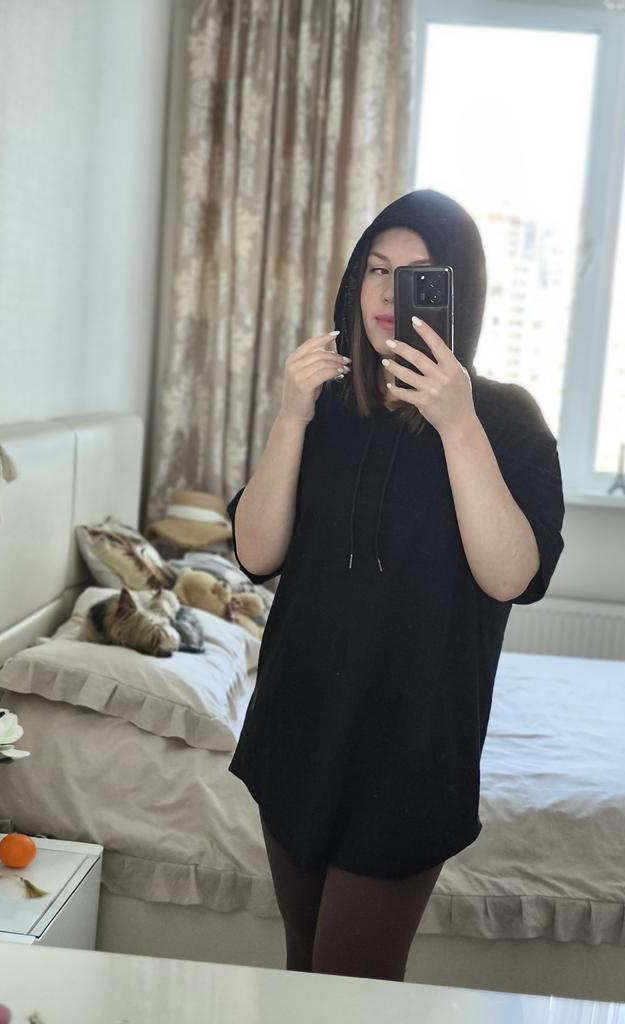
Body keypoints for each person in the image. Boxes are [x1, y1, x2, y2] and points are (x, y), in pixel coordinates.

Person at [226, 188, 565, 982]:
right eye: (376, 269)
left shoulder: (504, 419)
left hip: (411, 752)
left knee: (354, 990)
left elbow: (511, 576)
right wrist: (290, 416)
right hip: (299, 728)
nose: (388, 292)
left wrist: (457, 423)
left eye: (417, 276)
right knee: (304, 971)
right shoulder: (325, 405)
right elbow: (255, 553)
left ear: (456, 294)